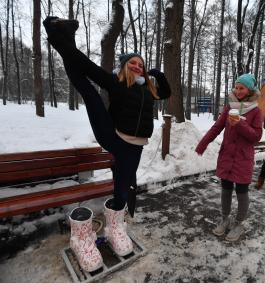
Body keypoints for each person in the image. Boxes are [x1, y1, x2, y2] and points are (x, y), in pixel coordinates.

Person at [43, 17, 170, 271]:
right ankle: (60, 33)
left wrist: (157, 73)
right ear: (124, 66)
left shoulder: (149, 90)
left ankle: (115, 227)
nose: (137, 66)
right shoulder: (116, 82)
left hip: (136, 146)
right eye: (132, 63)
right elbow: (84, 64)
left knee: (122, 185)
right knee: (87, 89)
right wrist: (60, 42)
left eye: (141, 65)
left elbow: (166, 92)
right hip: (113, 135)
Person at [195, 73, 263, 242]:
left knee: (241, 192)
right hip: (226, 156)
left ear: (250, 90)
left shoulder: (256, 111)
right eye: (236, 87)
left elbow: (256, 136)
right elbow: (216, 127)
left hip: (243, 158)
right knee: (225, 190)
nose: (238, 91)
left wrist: (240, 123)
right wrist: (203, 144)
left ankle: (239, 223)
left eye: (242, 88)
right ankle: (225, 219)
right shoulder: (229, 107)